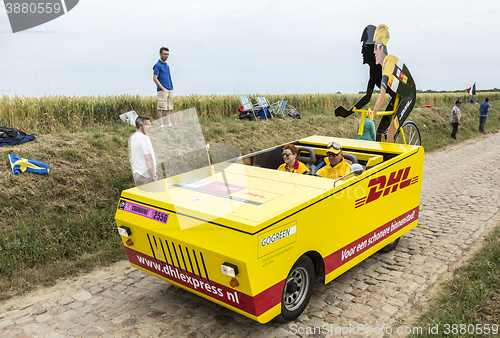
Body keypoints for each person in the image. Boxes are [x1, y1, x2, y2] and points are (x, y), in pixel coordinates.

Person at [372, 24, 416, 143]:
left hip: (409, 96)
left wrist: (374, 112)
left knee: (390, 133)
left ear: (381, 48)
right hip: (398, 96)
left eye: (375, 48)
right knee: (380, 132)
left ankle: (392, 159)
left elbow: (381, 96)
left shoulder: (388, 64)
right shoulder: (385, 64)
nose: (374, 52)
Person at [129, 115, 157, 186]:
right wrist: (153, 175)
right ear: (140, 126)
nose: (150, 127)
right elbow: (148, 158)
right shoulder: (145, 138)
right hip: (146, 176)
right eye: (147, 125)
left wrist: (154, 169)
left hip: (137, 174)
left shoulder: (133, 137)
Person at [153, 47, 174, 129]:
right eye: (164, 54)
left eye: (167, 54)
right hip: (163, 90)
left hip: (169, 89)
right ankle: (161, 125)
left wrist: (171, 87)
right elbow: (155, 78)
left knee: (168, 108)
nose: (166, 56)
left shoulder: (167, 65)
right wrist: (162, 88)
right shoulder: (157, 65)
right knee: (160, 108)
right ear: (160, 54)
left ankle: (168, 124)